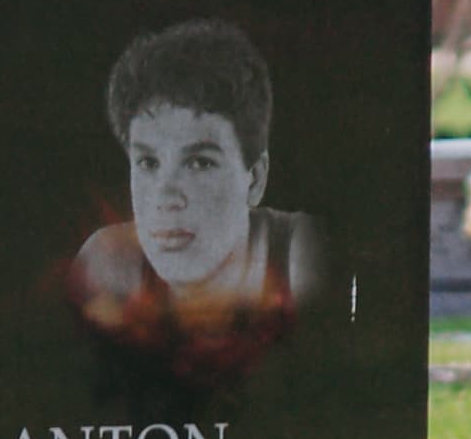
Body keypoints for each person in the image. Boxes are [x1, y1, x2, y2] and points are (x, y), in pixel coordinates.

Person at [70, 19, 319, 379]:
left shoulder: (304, 257)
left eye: (200, 163)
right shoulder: (107, 267)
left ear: (255, 179)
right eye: (148, 162)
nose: (166, 197)